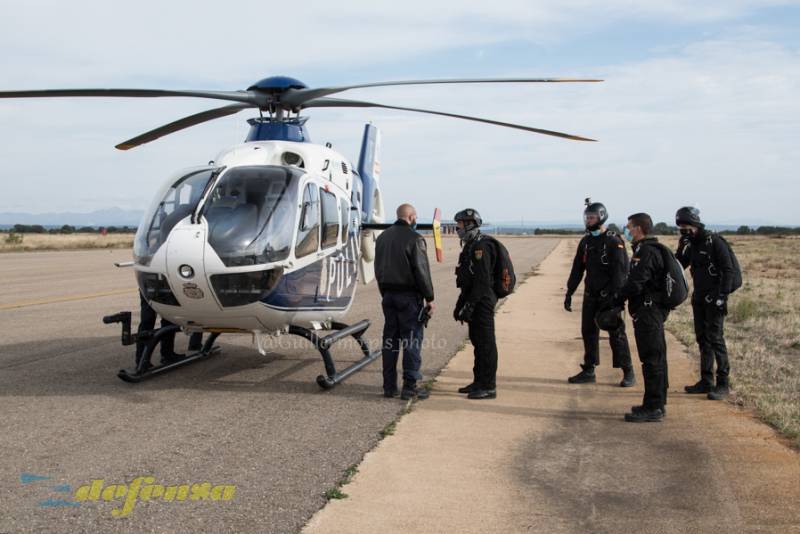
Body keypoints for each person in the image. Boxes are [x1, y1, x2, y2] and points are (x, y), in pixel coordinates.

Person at [564, 200, 635, 387]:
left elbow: (621, 272)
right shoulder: (586, 242)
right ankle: (589, 369)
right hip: (590, 296)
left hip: (610, 297)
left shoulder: (613, 241)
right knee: (588, 332)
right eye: (587, 217)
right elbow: (577, 269)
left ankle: (628, 370)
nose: (588, 221)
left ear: (602, 217)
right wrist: (569, 292)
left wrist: (617, 299)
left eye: (592, 217)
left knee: (616, 334)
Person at [375, 203, 435, 400]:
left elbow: (378, 269)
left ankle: (389, 386)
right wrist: (430, 298)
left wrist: (385, 293)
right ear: (410, 216)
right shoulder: (415, 239)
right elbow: (422, 270)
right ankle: (410, 387)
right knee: (411, 341)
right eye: (415, 216)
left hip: (389, 296)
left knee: (390, 342)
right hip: (409, 298)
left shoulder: (382, 238)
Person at [675, 207, 736, 400]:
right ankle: (706, 380)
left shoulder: (715, 242)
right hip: (699, 297)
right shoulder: (691, 244)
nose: (683, 230)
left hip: (715, 297)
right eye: (680, 227)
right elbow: (679, 266)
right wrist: (680, 246)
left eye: (685, 226)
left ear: (694, 224)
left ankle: (723, 383)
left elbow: (728, 270)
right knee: (702, 339)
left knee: (715, 338)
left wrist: (722, 296)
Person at [615, 213, 670, 422]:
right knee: (656, 358)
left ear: (638, 229)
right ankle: (655, 403)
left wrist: (617, 297)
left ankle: (654, 408)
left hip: (648, 313)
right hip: (651, 311)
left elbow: (636, 283)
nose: (626, 230)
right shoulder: (648, 249)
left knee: (651, 359)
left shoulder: (646, 252)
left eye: (629, 227)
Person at [453, 208, 499, 400]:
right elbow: (467, 280)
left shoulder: (481, 247)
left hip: (483, 301)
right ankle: (478, 381)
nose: (458, 228)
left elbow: (482, 281)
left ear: (470, 225)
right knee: (478, 343)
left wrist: (470, 306)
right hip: (474, 299)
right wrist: (460, 304)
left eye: (460, 224)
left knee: (486, 344)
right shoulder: (470, 246)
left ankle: (489, 386)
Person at [136, 292, 203, 368]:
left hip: (152, 285)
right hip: (156, 285)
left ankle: (165, 354)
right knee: (151, 320)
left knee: (162, 319)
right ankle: (144, 359)